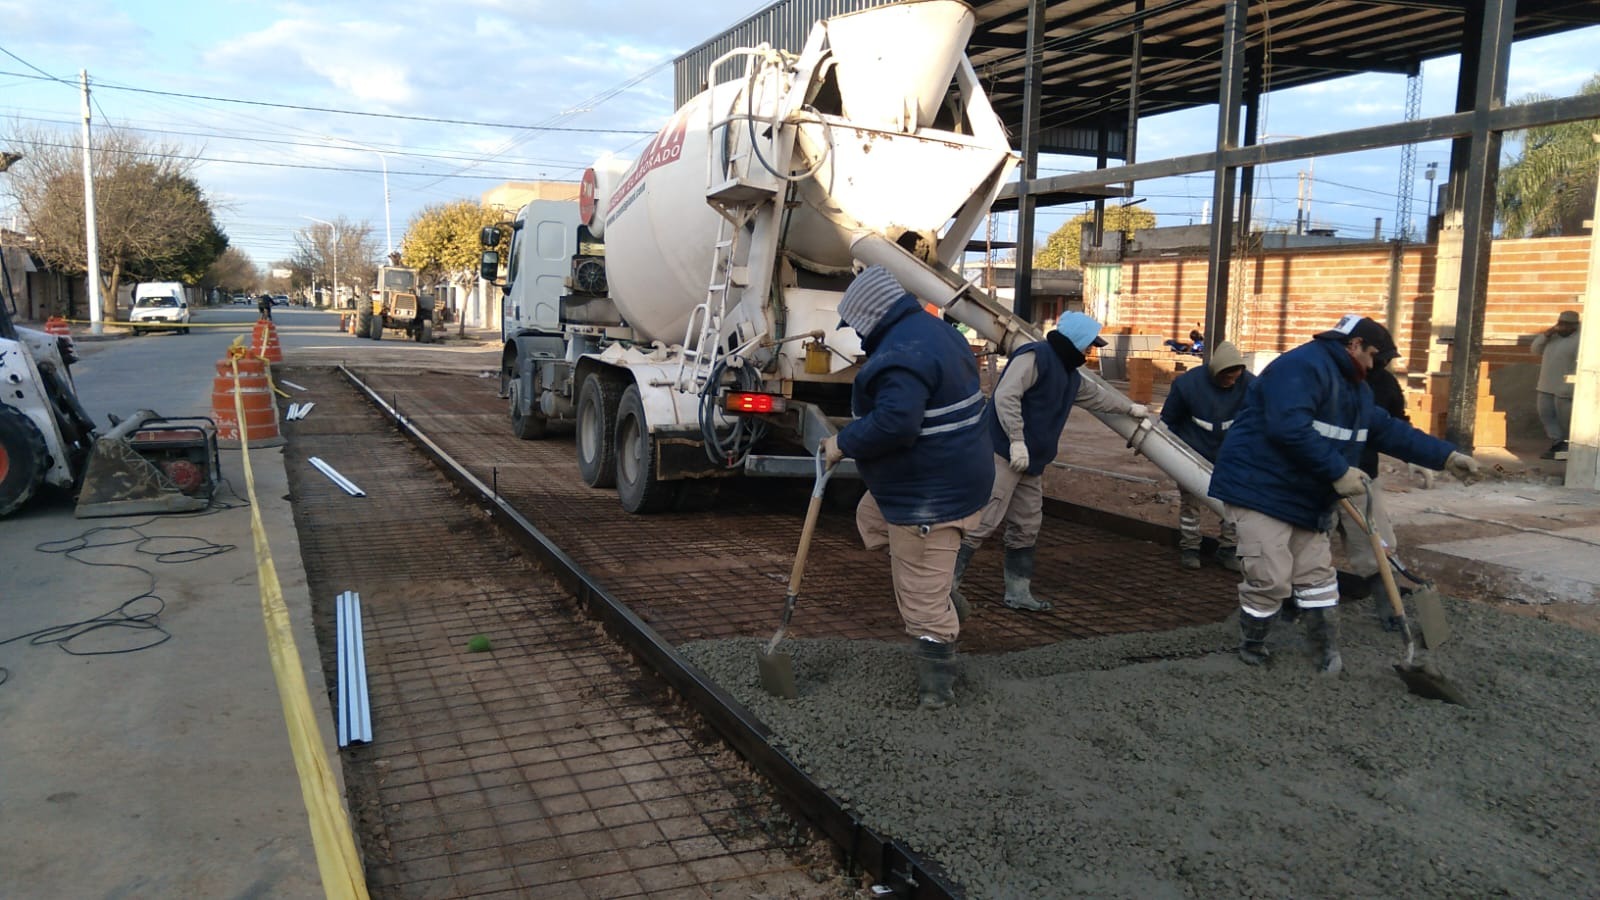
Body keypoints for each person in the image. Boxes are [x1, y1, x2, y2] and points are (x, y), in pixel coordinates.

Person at [1208, 314, 1480, 674]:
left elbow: (1385, 429)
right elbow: (1288, 427)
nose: (1376, 366)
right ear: (1353, 345)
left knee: (1318, 579)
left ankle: (1324, 652)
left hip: (1309, 496)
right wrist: (1337, 471)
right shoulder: (1302, 369)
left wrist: (1446, 456)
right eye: (1373, 356)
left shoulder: (1356, 387)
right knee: (1270, 575)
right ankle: (1253, 644)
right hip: (1262, 488)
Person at [821, 266, 993, 710]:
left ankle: (937, 692)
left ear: (872, 318)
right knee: (870, 519)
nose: (857, 336)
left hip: (929, 497)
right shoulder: (935, 332)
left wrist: (842, 442)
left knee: (921, 602)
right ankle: (939, 590)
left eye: (857, 327)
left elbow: (897, 423)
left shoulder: (900, 355)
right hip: (957, 473)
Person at [951, 312, 1150, 612]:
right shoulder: (1035, 357)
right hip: (1003, 452)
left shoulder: (1069, 373)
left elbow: (1096, 397)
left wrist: (1129, 408)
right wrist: (1016, 440)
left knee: (1027, 524)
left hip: (1032, 462)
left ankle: (1018, 592)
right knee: (982, 520)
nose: (1089, 351)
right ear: (1077, 341)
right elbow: (1006, 397)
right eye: (1088, 344)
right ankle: (943, 588)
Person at [1159, 340, 1254, 571]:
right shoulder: (1188, 385)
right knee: (1191, 504)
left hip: (1232, 455)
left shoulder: (1250, 385)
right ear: (1215, 373)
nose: (1230, 382)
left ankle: (1228, 549)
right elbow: (1168, 421)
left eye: (1234, 377)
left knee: (1233, 504)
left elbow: (1260, 419)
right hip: (1193, 452)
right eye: (1226, 378)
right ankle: (1190, 548)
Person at [1332, 347, 1407, 629]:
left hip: (1362, 478)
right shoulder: (1331, 379)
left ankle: (1390, 611)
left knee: (1377, 546)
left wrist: (1412, 455)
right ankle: (1290, 609)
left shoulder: (1385, 384)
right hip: (1318, 477)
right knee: (1303, 549)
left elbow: (1396, 423)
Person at [1532, 309, 1579, 460]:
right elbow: (1535, 350)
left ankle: (1568, 446)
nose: (1562, 328)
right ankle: (1557, 442)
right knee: (1546, 414)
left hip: (1565, 388)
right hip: (1546, 384)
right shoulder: (1553, 337)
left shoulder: (1580, 339)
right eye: (1560, 324)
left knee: (1564, 418)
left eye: (1566, 325)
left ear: (1574, 326)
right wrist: (1546, 334)